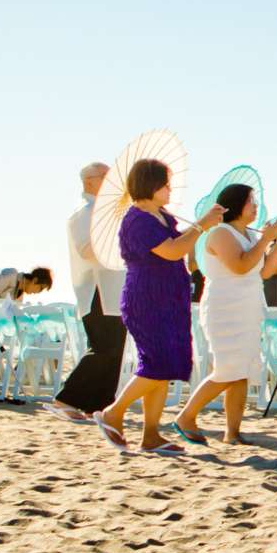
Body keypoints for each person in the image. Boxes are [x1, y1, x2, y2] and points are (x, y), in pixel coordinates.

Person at [95, 158, 219, 453]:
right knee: (156, 363)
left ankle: (151, 434)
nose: (169, 189)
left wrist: (201, 230)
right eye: (165, 184)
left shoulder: (163, 216)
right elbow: (172, 251)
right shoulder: (137, 219)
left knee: (164, 366)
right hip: (147, 297)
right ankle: (114, 411)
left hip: (169, 298)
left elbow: (183, 250)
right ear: (150, 185)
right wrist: (202, 225)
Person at [174, 182, 277, 447]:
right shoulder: (220, 232)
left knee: (242, 369)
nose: (255, 206)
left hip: (248, 305)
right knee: (227, 368)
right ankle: (185, 416)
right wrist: (267, 240)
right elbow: (241, 265)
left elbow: (266, 272)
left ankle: (232, 432)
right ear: (236, 204)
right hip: (225, 307)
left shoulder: (251, 235)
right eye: (250, 201)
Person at [54, 164, 127, 413]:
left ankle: (100, 406)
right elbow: (87, 250)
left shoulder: (109, 213)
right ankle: (67, 398)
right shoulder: (84, 212)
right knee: (102, 347)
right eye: (106, 177)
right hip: (97, 289)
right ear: (89, 182)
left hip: (116, 289)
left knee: (115, 349)